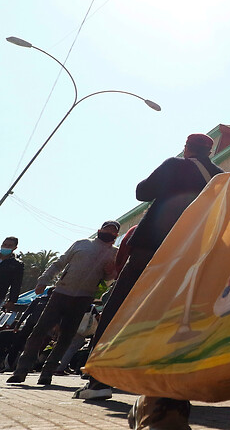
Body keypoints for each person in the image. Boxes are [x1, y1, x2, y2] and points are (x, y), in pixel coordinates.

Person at [76, 134, 222, 405]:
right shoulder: (220, 177)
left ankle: (98, 380)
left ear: (187, 148)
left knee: (120, 308)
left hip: (152, 247)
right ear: (210, 151)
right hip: (189, 254)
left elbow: (142, 192)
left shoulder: (176, 164)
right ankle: (163, 384)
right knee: (169, 314)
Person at [6, 221, 119, 386]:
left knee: (66, 337)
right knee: (39, 331)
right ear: (99, 230)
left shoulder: (114, 254)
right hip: (61, 293)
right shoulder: (82, 244)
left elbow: (109, 280)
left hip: (84, 298)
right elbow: (59, 263)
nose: (109, 232)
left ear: (116, 236)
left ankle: (47, 373)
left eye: (113, 231)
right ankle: (21, 370)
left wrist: (111, 272)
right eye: (107, 229)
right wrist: (43, 280)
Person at [0, 287, 52, 371]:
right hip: (34, 326)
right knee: (23, 345)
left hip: (35, 326)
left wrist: (18, 325)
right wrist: (18, 325)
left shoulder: (41, 301)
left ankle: (19, 366)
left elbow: (27, 313)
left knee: (24, 346)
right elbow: (27, 312)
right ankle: (13, 365)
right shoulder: (42, 301)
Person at [0, 237, 24, 311]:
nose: (6, 247)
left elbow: (16, 284)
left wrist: (12, 301)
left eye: (9, 245)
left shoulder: (16, 264)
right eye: (5, 244)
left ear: (15, 248)